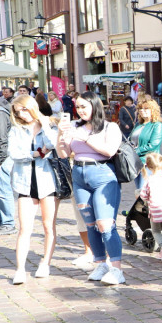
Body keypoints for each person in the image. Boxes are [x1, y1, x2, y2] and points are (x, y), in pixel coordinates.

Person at [56, 92, 128, 286]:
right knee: (90, 224)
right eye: (77, 107)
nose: (80, 111)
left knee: (105, 223)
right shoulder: (74, 126)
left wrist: (84, 138)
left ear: (95, 106)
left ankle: (116, 269)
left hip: (103, 175)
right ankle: (100, 263)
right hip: (79, 174)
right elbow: (64, 154)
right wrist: (60, 135)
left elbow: (110, 150)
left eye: (84, 107)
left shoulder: (109, 126)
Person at [8, 96, 58, 284]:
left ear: (32, 107)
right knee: (24, 228)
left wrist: (44, 125)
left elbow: (53, 144)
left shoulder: (49, 124)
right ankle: (20, 269)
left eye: (24, 109)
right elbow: (14, 153)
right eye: (17, 111)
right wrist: (37, 153)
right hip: (25, 183)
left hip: (47, 181)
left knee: (48, 226)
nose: (21, 114)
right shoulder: (17, 129)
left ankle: (45, 262)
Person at [131, 99, 162, 192]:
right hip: (136, 163)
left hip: (148, 163)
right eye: (140, 108)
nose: (142, 110)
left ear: (153, 110)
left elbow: (153, 145)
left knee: (144, 191)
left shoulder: (157, 125)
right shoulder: (138, 124)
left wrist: (135, 151)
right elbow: (131, 140)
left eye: (146, 108)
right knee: (139, 191)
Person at [0, 94, 14, 235]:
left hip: (2, 157)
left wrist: (0, 161)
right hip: (1, 156)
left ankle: (8, 223)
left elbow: (2, 138)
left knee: (3, 190)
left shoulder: (0, 112)